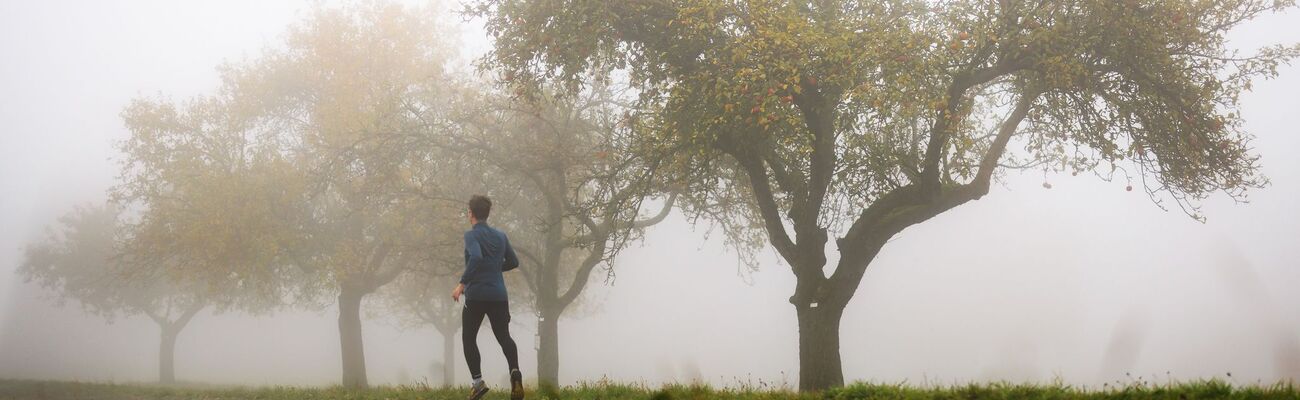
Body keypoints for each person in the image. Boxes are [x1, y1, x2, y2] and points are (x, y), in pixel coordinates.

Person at [452, 195, 524, 400]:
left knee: (468, 338)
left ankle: (477, 383)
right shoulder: (501, 236)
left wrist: (461, 284)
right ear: (487, 213)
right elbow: (513, 261)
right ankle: (515, 372)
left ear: (471, 213)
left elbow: (476, 257)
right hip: (499, 296)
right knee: (504, 337)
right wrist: (494, 268)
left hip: (476, 296)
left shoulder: (471, 235)